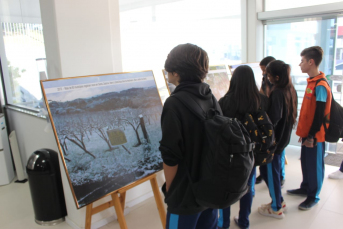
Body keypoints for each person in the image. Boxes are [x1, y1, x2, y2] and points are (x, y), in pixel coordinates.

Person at [159, 43, 218, 229]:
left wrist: (171, 190)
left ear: (176, 73)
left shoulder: (174, 103)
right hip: (211, 185)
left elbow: (171, 155)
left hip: (185, 192)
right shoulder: (209, 95)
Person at [217, 65, 269, 229]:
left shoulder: (224, 101)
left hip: (229, 155)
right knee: (248, 187)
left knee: (225, 188)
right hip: (251, 154)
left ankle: (223, 223)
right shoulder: (260, 100)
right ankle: (244, 221)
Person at [287, 46, 332, 210]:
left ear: (311, 62)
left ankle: (313, 196)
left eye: (302, 61)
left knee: (314, 166)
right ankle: (305, 187)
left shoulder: (320, 85)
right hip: (308, 133)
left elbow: (319, 114)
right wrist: (305, 133)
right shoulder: (311, 82)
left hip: (316, 135)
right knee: (306, 163)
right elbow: (308, 111)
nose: (300, 64)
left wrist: (312, 135)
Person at [258, 60, 298, 219]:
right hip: (283, 138)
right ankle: (279, 201)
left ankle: (276, 208)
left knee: (269, 173)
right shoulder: (290, 88)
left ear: (275, 76)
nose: (266, 77)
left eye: (267, 74)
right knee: (272, 171)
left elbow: (273, 118)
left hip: (274, 142)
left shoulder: (277, 93)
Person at [256, 56, 286, 188]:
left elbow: (275, 116)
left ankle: (277, 202)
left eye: (266, 72)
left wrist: (266, 129)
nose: (264, 74)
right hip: (278, 133)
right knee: (271, 166)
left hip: (276, 134)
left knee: (274, 165)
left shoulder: (278, 91)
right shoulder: (284, 87)